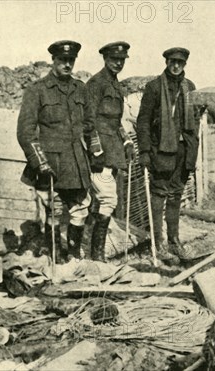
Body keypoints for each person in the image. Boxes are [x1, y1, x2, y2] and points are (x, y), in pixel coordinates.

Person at [17, 40, 94, 262]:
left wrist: (95, 153)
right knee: (54, 211)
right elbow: (25, 131)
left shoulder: (80, 89)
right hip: (50, 163)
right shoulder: (37, 90)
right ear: (54, 60)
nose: (67, 64)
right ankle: (54, 256)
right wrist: (39, 162)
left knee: (80, 209)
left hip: (76, 163)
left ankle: (72, 256)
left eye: (71, 60)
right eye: (63, 60)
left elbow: (89, 125)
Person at [136, 47, 199, 264]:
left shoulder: (189, 88)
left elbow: (195, 121)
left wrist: (193, 150)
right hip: (161, 150)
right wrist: (144, 151)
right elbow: (143, 121)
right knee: (159, 193)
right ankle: (158, 243)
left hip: (183, 149)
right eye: (172, 61)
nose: (175, 66)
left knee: (176, 195)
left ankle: (174, 241)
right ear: (166, 62)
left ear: (185, 64)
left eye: (179, 63)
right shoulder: (154, 87)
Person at [85, 41, 135, 261]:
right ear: (105, 59)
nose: (118, 63)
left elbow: (116, 121)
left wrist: (127, 142)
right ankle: (95, 255)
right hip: (101, 152)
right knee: (107, 200)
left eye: (121, 60)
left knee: (103, 200)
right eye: (114, 59)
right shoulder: (96, 84)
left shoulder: (116, 85)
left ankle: (95, 253)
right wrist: (96, 150)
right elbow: (89, 121)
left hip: (113, 149)